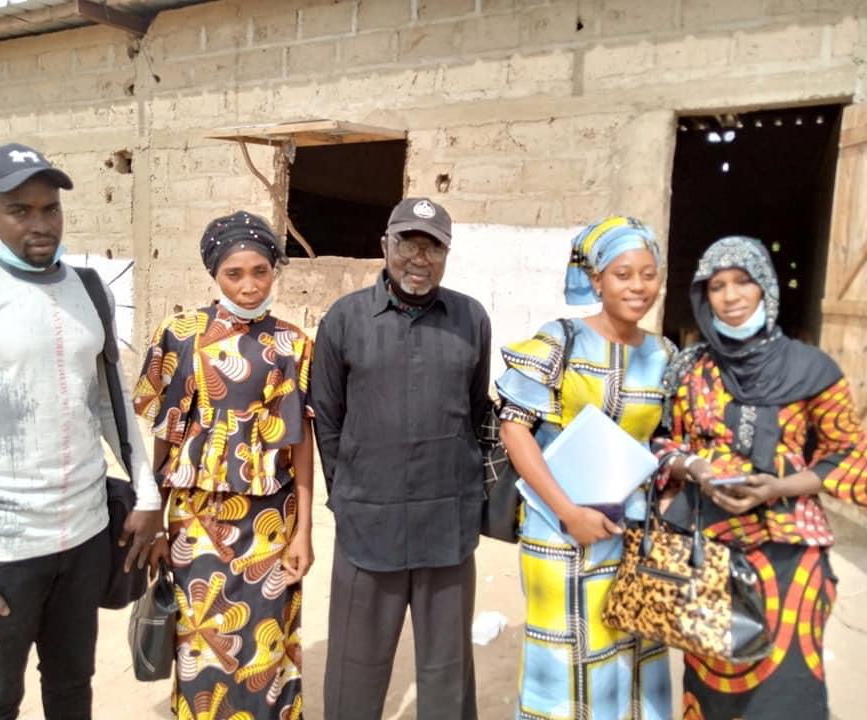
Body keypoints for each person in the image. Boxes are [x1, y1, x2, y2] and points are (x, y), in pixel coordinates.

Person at [0, 142, 163, 719]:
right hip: (1, 550)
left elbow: (110, 402)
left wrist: (146, 494)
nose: (40, 224)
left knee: (72, 688)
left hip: (85, 537)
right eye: (19, 210)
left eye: (50, 208)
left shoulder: (89, 290)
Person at [658, 236, 867, 719]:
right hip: (708, 550)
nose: (730, 296)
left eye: (743, 281)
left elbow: (849, 455)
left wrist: (781, 486)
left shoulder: (812, 369)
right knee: (710, 681)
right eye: (717, 286)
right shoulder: (691, 370)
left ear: (765, 287)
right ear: (703, 296)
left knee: (788, 683)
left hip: (789, 551)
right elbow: (664, 444)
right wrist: (697, 468)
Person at [312, 197, 491, 720]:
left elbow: (475, 411)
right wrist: (349, 495)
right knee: (354, 669)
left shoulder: (471, 319)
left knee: (446, 671)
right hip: (368, 523)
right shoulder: (344, 319)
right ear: (384, 245)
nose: (419, 258)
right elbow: (327, 419)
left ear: (447, 255)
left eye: (433, 247)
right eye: (408, 243)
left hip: (447, 523)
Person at [135, 211, 314, 720]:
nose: (250, 286)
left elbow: (301, 444)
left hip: (268, 521)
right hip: (193, 518)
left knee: (265, 639)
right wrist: (156, 520)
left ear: (274, 271)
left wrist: (303, 533)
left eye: (261, 271)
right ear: (214, 273)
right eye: (234, 274)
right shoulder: (179, 333)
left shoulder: (293, 344)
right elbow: (167, 432)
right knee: (197, 637)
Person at [497, 216, 674, 720]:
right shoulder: (561, 341)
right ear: (597, 280)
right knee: (567, 661)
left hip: (633, 533)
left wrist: (665, 501)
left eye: (648, 274)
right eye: (623, 274)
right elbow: (514, 429)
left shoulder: (664, 354)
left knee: (633, 653)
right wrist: (569, 512)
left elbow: (664, 439)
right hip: (559, 531)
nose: (638, 286)